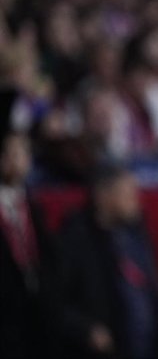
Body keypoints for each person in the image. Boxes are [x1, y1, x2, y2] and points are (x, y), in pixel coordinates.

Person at [58, 164, 158, 359]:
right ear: (103, 195)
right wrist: (86, 330)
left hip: (147, 346)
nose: (136, 201)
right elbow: (56, 300)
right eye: (127, 194)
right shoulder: (76, 238)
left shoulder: (136, 234)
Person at [0, 129, 61, 358]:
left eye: (25, 152)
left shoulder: (32, 206)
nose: (22, 160)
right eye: (14, 153)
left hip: (35, 314)